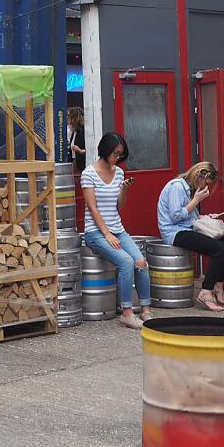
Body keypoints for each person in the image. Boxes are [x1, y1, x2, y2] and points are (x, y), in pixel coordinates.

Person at [80, 132, 151, 330]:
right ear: (105, 150)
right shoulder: (89, 174)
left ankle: (146, 310)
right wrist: (106, 234)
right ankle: (127, 313)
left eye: (120, 155)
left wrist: (125, 189)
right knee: (126, 262)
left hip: (117, 229)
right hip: (96, 232)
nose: (117, 158)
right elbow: (92, 208)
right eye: (115, 153)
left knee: (141, 262)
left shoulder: (119, 172)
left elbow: (120, 205)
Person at [156, 162, 224, 312]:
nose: (207, 187)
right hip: (175, 233)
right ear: (199, 176)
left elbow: (190, 217)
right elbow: (175, 216)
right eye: (206, 182)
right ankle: (206, 291)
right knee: (219, 249)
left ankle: (218, 286)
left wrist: (206, 217)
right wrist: (196, 200)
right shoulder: (177, 187)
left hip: (188, 228)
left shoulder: (190, 189)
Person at [66, 107, 86, 173]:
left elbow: (92, 150)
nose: (67, 119)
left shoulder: (84, 132)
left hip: (82, 164)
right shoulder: (74, 132)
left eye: (69, 117)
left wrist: (80, 150)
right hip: (75, 162)